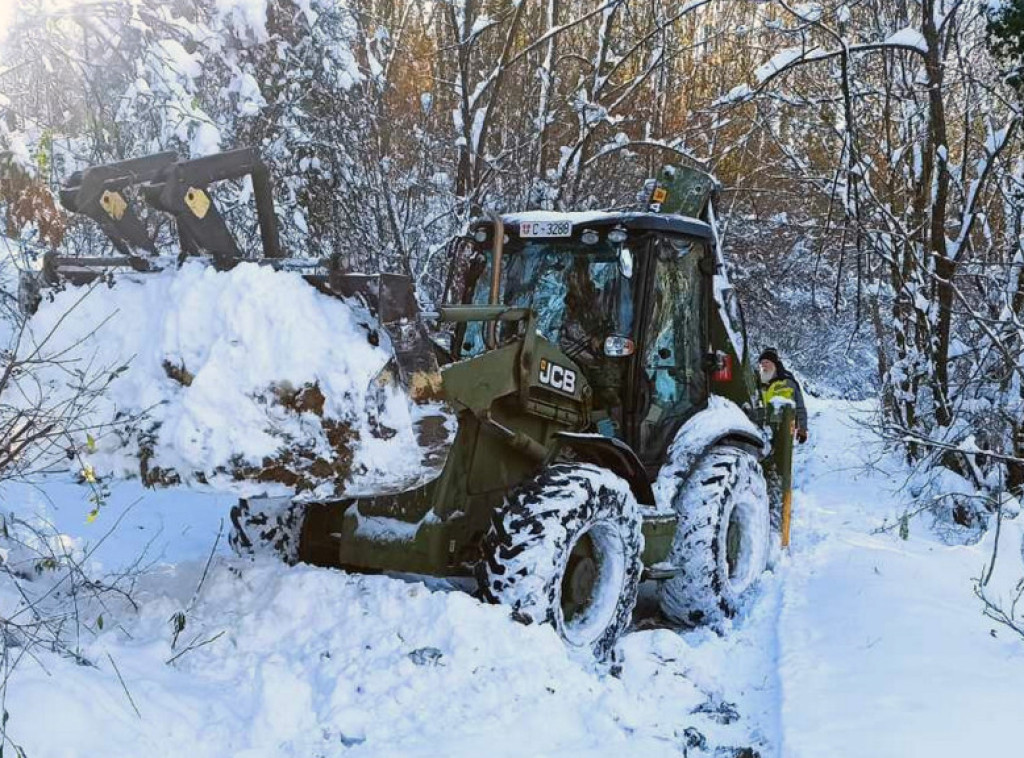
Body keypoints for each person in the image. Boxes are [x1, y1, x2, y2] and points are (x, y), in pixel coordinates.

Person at [757, 348, 808, 444]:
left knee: (784, 453)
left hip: (788, 427)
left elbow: (800, 406)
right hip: (764, 429)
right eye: (761, 363)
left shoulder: (788, 381)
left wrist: (803, 429)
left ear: (775, 364)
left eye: (767, 362)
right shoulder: (758, 384)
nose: (763, 366)